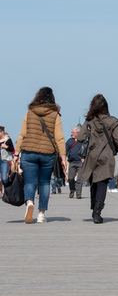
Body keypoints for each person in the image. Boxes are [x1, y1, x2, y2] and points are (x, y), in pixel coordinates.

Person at [15, 87, 66, 224]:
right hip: (47, 154)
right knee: (44, 183)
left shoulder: (30, 113)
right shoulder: (55, 115)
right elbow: (59, 138)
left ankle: (30, 202)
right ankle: (41, 214)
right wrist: (63, 157)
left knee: (30, 182)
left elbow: (22, 134)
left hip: (29, 152)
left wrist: (16, 153)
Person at [78, 94, 118, 223]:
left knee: (94, 182)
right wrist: (114, 148)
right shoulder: (113, 121)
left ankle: (94, 207)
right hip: (106, 155)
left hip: (92, 155)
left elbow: (80, 137)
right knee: (102, 183)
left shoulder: (89, 121)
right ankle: (97, 211)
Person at [65, 125, 84, 199]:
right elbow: (65, 150)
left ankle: (79, 193)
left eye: (73, 132)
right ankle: (72, 190)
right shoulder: (70, 141)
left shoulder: (83, 141)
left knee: (80, 179)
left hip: (80, 162)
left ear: (78, 133)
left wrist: (84, 158)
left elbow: (86, 149)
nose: (71, 134)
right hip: (72, 162)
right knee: (70, 178)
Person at [0, 126, 15, 198]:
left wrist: (6, 147)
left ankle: (9, 185)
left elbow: (12, 149)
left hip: (4, 160)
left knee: (3, 178)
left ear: (2, 132)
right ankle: (3, 192)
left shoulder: (8, 140)